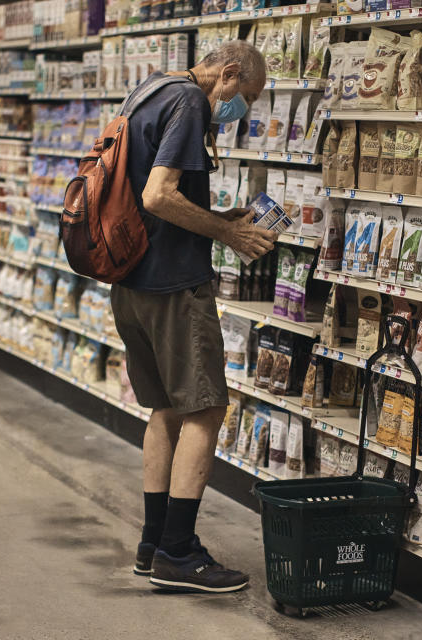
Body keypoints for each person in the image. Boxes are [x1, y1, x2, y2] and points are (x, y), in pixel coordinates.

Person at [109, 40, 275, 594]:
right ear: (227, 73)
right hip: (173, 287)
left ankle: (153, 543)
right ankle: (180, 553)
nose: (240, 110)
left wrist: (215, 217)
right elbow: (159, 196)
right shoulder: (191, 101)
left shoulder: (150, 88)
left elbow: (145, 189)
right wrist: (227, 232)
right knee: (205, 409)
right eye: (244, 96)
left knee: (164, 409)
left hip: (131, 281)